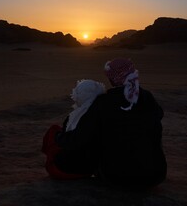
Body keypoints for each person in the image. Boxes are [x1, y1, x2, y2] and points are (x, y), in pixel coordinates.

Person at [53, 58, 167, 189]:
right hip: (155, 175)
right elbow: (157, 116)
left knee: (62, 158)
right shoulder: (147, 97)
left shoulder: (104, 102)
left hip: (117, 177)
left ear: (112, 79)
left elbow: (79, 138)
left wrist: (58, 137)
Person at [42, 79, 106, 179]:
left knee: (54, 131)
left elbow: (70, 141)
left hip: (66, 170)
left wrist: (58, 137)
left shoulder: (80, 117)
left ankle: (50, 162)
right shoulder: (104, 114)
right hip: (89, 169)